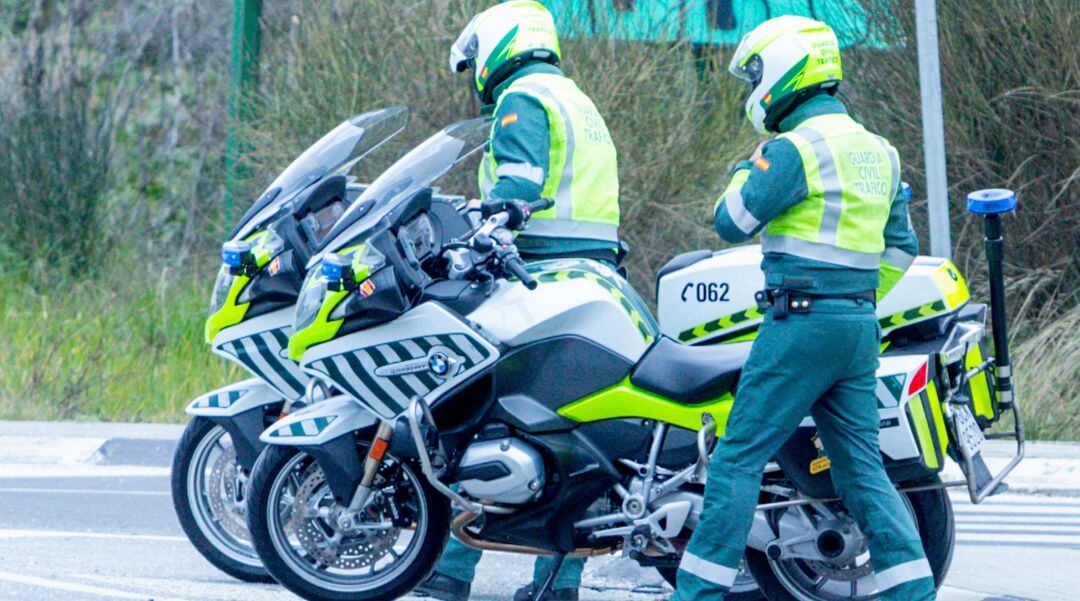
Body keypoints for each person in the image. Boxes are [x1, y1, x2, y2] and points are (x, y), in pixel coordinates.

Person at [672, 15, 935, 601]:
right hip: (858, 326)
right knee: (862, 472)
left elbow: (731, 220)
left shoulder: (794, 149)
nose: (753, 90)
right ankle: (913, 592)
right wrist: (857, 297)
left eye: (756, 74)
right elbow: (903, 248)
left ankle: (694, 595)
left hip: (800, 324)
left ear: (786, 70)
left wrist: (748, 166)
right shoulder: (881, 152)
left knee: (737, 461)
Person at [415, 2, 621, 601]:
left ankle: (450, 571)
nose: (477, 73)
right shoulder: (574, 98)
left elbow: (519, 186)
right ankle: (557, 582)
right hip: (589, 275)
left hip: (539, 275)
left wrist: (475, 233)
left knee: (480, 414)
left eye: (476, 59)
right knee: (573, 430)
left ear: (498, 47)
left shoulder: (524, 99)